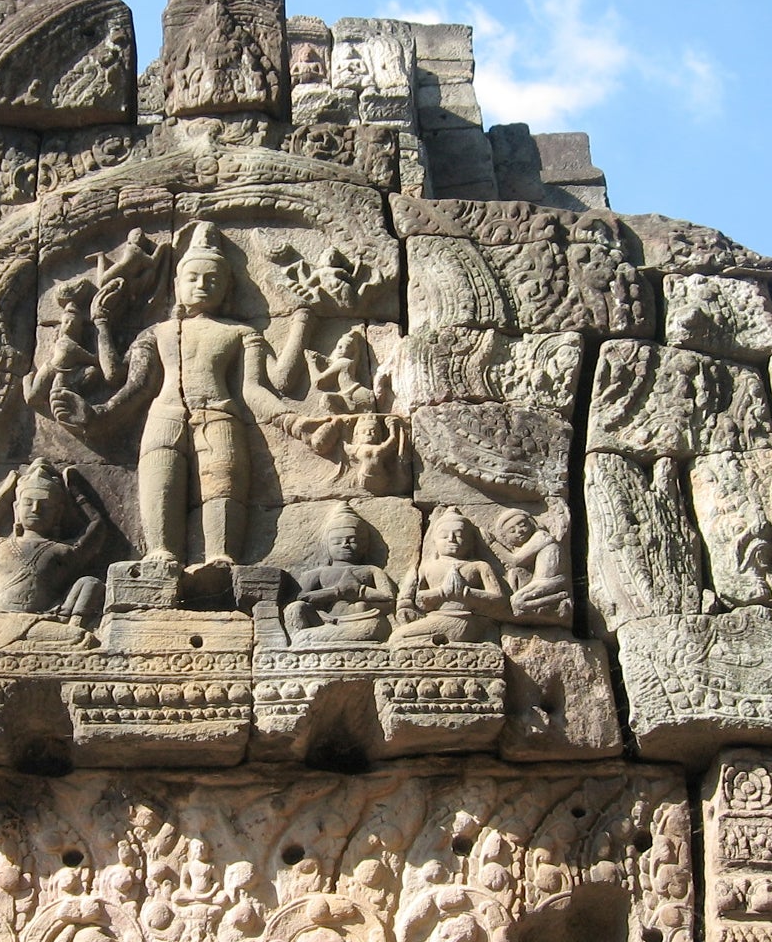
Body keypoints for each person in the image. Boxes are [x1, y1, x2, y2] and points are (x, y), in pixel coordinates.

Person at [50, 221, 286, 569]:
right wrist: (96, 410)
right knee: (160, 480)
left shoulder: (240, 333)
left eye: (213, 280)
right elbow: (128, 382)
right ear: (177, 285)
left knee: (222, 485)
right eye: (193, 278)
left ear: (227, 288)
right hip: (165, 415)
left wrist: (291, 420)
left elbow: (253, 389)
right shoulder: (158, 332)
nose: (202, 285)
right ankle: (162, 552)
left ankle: (221, 557)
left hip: (219, 415)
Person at [0, 459, 107, 650]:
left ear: (58, 513)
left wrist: (76, 493)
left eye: (45, 505)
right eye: (28, 503)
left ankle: (43, 636)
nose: (36, 509)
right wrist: (4, 493)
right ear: (16, 509)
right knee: (81, 640)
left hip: (40, 618)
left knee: (89, 584)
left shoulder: (61, 550)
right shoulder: (2, 546)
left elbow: (97, 527)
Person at [283, 502, 397, 645]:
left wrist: (360, 592)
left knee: (374, 626)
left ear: (364, 545)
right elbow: (299, 597)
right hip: (323, 620)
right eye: (337, 541)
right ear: (327, 545)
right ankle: (303, 638)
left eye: (352, 540)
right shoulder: (318, 573)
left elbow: (389, 598)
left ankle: (308, 639)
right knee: (295, 608)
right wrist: (336, 592)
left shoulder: (371, 570)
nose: (345, 544)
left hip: (363, 620)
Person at [390, 508, 506, 645]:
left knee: (397, 638)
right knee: (398, 638)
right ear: (435, 541)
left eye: (459, 535)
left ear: (471, 541)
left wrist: (467, 593)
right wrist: (442, 592)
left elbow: (499, 600)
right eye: (444, 536)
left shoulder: (479, 566)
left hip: (467, 620)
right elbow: (420, 601)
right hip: (437, 617)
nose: (451, 539)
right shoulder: (428, 567)